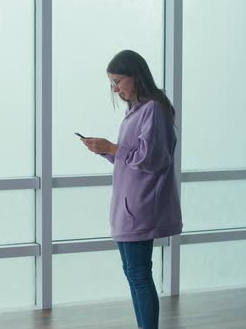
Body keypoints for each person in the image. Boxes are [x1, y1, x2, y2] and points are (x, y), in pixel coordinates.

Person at [80, 50, 183, 329]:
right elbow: (131, 159)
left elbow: (153, 158)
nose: (115, 88)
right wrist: (104, 151)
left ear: (136, 76)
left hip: (141, 205)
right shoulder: (135, 111)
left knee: (139, 274)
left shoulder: (154, 109)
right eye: (111, 83)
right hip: (128, 205)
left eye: (118, 81)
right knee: (134, 273)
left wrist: (113, 147)